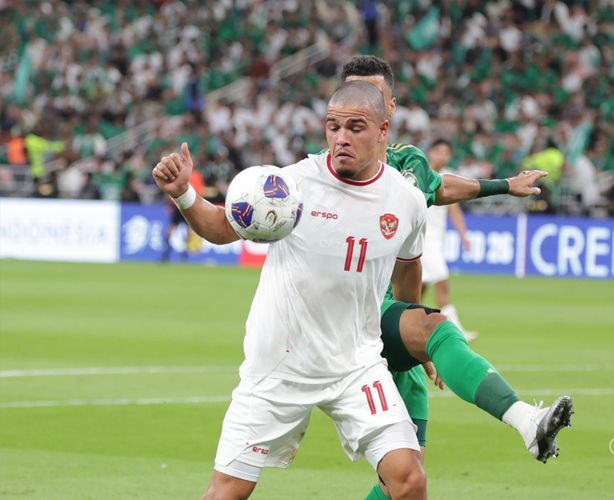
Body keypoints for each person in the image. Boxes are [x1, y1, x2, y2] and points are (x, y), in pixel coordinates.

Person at [152, 81, 429, 500]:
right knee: (227, 492)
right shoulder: (291, 185)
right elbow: (222, 228)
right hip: (278, 365)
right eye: (333, 127)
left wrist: (413, 340)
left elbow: (407, 274)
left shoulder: (407, 200)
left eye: (355, 127)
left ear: (383, 130)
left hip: (356, 365)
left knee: (409, 479)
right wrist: (184, 194)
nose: (341, 137)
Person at [340, 56, 573, 500]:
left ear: (390, 107)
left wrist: (504, 185)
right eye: (352, 96)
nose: (361, 105)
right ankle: (525, 420)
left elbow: (438, 189)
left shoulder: (407, 165)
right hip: (340, 324)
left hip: (385, 316)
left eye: (372, 96)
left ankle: (526, 421)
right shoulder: (323, 174)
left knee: (407, 478)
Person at [421, 138, 477, 341]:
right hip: (422, 239)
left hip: (436, 240)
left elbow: (454, 208)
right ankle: (457, 332)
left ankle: (405, 323)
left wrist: (464, 235)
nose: (442, 156)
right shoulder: (419, 173)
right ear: (430, 152)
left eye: (446, 153)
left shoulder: (449, 176)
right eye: (439, 151)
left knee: (418, 289)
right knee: (442, 282)